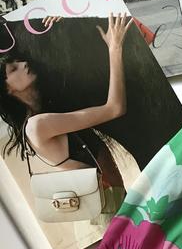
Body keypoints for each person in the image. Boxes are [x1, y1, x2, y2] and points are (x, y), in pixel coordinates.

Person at [0, 13, 137, 222]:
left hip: (112, 203)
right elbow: (115, 108)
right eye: (13, 68)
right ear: (8, 90)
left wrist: (59, 28)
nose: (24, 63)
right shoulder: (38, 125)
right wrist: (115, 47)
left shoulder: (49, 111)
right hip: (106, 212)